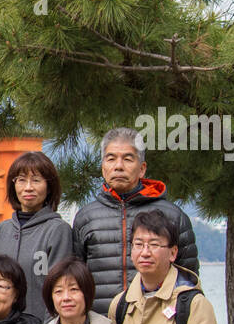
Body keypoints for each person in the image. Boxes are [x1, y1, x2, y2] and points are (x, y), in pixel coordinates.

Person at [72, 127, 199, 314]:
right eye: (111, 158)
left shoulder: (174, 217)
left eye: (128, 159)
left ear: (142, 169)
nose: (118, 166)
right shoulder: (86, 218)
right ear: (103, 167)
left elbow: (189, 280)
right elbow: (75, 278)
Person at [0, 151, 72, 324]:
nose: (28, 187)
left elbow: (60, 288)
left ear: (49, 187)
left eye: (36, 180)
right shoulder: (2, 230)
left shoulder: (58, 230)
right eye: (21, 180)